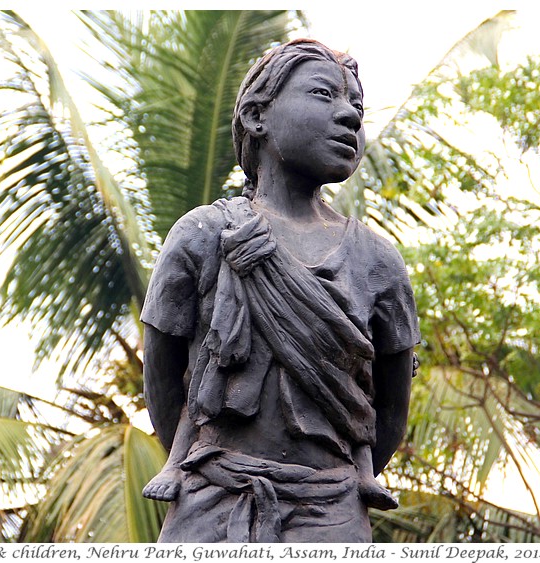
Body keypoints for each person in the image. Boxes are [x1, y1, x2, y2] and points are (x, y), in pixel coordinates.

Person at [140, 39, 419, 543]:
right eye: (323, 95)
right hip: (211, 503)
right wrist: (211, 464)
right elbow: (162, 383)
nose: (350, 117)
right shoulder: (203, 235)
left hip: (331, 513)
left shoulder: (378, 262)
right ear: (256, 117)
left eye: (357, 105)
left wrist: (328, 484)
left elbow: (390, 410)